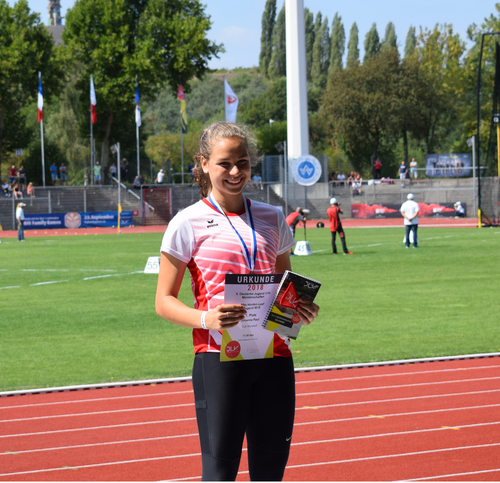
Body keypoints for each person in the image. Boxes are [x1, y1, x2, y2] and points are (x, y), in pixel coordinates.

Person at [155, 121, 319, 481]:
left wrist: (299, 308)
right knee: (219, 472)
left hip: (274, 357)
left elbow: (283, 288)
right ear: (203, 163)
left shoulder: (273, 217)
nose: (234, 172)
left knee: (270, 472)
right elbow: (163, 301)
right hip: (219, 359)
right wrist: (206, 319)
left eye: (242, 162)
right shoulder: (187, 222)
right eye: (224, 163)